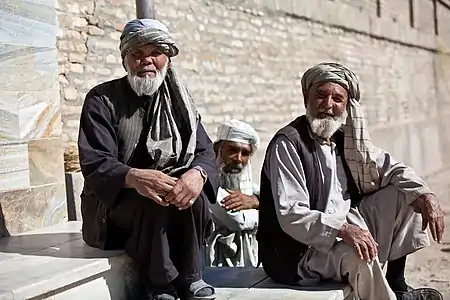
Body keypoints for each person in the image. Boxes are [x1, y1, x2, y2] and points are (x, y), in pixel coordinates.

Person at [257, 62, 445, 300]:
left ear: (346, 106)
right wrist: (343, 230)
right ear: (307, 97)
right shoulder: (288, 143)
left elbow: (392, 167)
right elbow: (292, 214)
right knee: (358, 254)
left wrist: (425, 195)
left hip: (345, 226)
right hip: (298, 253)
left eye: (337, 99)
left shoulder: (345, 140)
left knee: (407, 193)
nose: (328, 105)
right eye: (321, 95)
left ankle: (396, 284)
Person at [77, 18, 219, 300]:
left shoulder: (181, 102)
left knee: (195, 196)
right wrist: (134, 177)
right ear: (125, 60)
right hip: (114, 208)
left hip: (172, 201)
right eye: (137, 54)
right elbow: (95, 160)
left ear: (168, 58)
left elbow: (205, 151)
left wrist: (197, 174)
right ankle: (159, 285)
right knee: (152, 199)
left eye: (155, 52)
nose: (147, 61)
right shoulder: (102, 100)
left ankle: (191, 278)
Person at [205, 119, 261, 267]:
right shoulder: (207, 183)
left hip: (246, 261)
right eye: (232, 150)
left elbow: (271, 198)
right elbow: (238, 220)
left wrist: (256, 202)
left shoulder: (248, 187)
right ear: (217, 150)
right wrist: (268, 212)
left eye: (245, 153)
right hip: (214, 264)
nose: (238, 159)